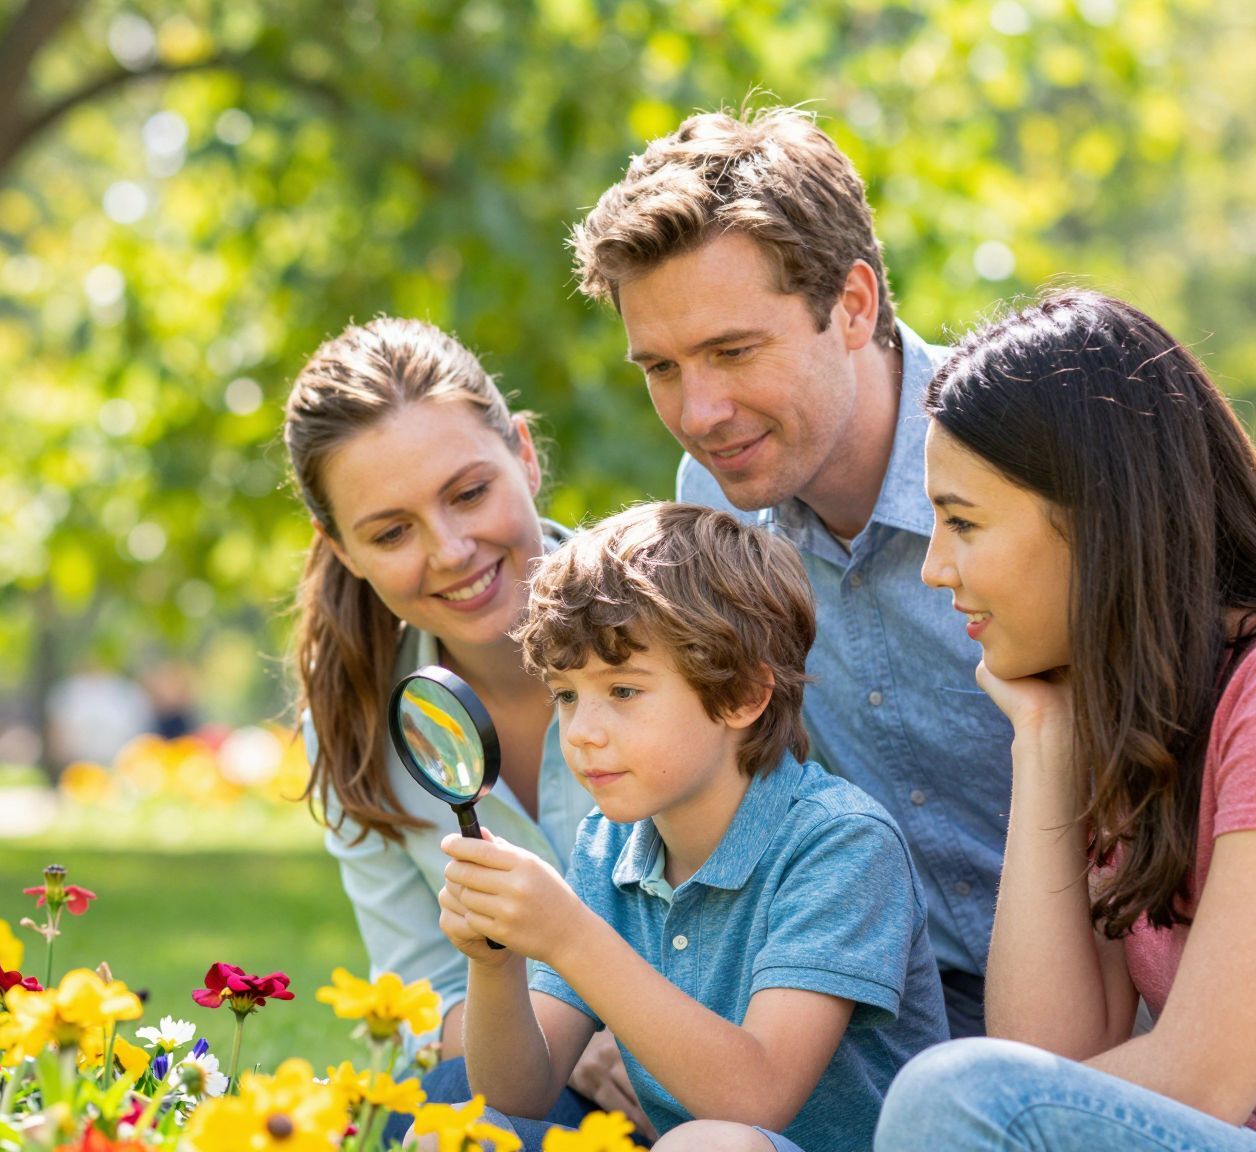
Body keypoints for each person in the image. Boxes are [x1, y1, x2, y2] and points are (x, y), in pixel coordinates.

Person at [872, 291, 1256, 1150]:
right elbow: (1045, 1061)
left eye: (963, 521)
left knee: (951, 1099)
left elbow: (1199, 1083)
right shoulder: (1144, 719)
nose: (935, 568)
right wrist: (1046, 741)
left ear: (1097, 516)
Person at [570, 107, 1007, 1037]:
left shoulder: (1027, 462)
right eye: (660, 367)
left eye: (733, 351)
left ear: (852, 304)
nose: (701, 410)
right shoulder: (713, 500)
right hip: (859, 1020)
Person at [435, 503, 948, 1151]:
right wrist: (495, 962)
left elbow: (755, 1099)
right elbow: (517, 1096)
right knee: (458, 1134)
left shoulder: (840, 842)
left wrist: (568, 935)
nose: (583, 732)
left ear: (742, 696)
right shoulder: (610, 844)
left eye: (623, 691)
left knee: (708, 1144)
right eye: (567, 695)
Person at [282, 318, 638, 1129]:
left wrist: (649, 1035)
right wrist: (568, 1044)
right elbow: (423, 996)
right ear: (339, 547)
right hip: (545, 1083)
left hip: (738, 1070)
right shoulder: (352, 722)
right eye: (391, 531)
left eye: (469, 493)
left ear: (524, 453)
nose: (449, 551)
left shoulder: (677, 631)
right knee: (434, 1111)